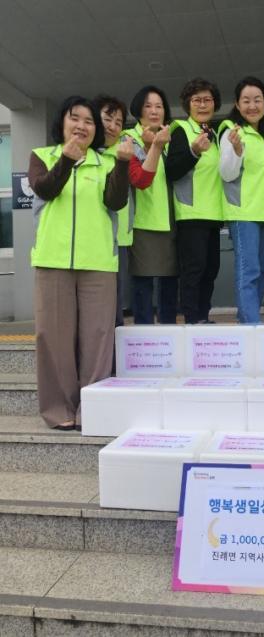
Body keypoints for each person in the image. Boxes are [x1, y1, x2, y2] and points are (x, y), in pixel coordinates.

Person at [29, 95, 132, 430]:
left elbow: (116, 201)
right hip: (53, 259)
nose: (82, 126)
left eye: (89, 121)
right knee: (53, 337)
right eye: (75, 118)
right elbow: (45, 189)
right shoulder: (42, 156)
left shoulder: (106, 162)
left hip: (98, 261)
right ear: (62, 122)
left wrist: (122, 165)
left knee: (98, 338)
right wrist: (66, 160)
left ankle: (94, 408)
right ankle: (59, 409)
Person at [219, 76, 264, 324]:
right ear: (237, 104)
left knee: (262, 272)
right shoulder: (232, 132)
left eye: (257, 100)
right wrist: (236, 151)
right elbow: (226, 174)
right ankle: (251, 326)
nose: (252, 106)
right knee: (249, 271)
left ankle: (247, 319)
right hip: (244, 215)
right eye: (246, 101)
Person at [165, 78, 222, 324]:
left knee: (210, 271)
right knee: (193, 272)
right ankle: (191, 321)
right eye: (197, 100)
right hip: (191, 215)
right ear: (187, 104)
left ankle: (203, 318)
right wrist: (194, 151)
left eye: (207, 100)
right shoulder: (180, 129)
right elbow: (172, 170)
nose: (202, 105)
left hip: (214, 215)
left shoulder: (214, 134)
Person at [124, 85, 178, 324]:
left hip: (170, 220)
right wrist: (150, 147)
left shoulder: (171, 138)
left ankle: (168, 333)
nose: (154, 111)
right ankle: (143, 334)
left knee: (170, 282)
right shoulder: (130, 138)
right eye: (148, 106)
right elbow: (139, 178)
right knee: (142, 283)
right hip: (141, 221)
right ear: (138, 110)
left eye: (159, 106)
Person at [94, 94, 132, 326]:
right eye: (108, 119)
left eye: (118, 122)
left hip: (118, 241)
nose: (112, 126)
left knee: (114, 302)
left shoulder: (124, 154)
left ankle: (113, 349)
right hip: (89, 242)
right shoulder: (80, 155)